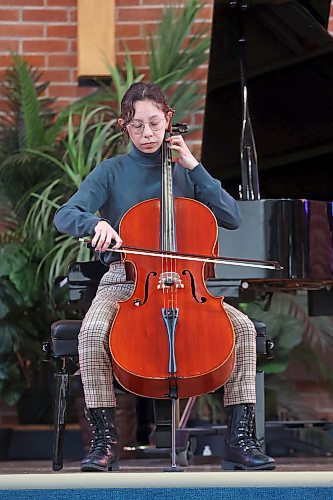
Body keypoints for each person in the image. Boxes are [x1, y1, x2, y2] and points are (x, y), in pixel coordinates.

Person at [54, 82, 276, 472]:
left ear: (167, 119)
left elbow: (232, 217)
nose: (147, 134)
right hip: (127, 279)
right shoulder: (111, 172)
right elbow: (65, 214)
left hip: (189, 284)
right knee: (91, 334)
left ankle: (240, 441)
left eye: (154, 124)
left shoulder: (186, 170)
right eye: (137, 125)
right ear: (125, 125)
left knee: (241, 330)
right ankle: (105, 443)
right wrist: (95, 223)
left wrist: (195, 166)